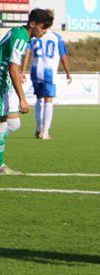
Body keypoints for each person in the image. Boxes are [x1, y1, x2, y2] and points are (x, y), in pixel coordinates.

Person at [0, 9, 52, 174]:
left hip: (5, 83)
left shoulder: (20, 33)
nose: (44, 32)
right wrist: (22, 98)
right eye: (43, 28)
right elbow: (13, 68)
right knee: (2, 123)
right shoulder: (21, 38)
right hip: (1, 82)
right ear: (32, 24)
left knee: (13, 123)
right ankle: (1, 167)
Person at [29, 21, 72, 140]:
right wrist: (68, 72)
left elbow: (27, 52)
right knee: (48, 101)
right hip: (49, 72)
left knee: (38, 99)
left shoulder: (34, 36)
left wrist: (22, 71)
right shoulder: (56, 37)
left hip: (35, 70)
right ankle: (45, 132)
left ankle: (38, 128)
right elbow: (63, 56)